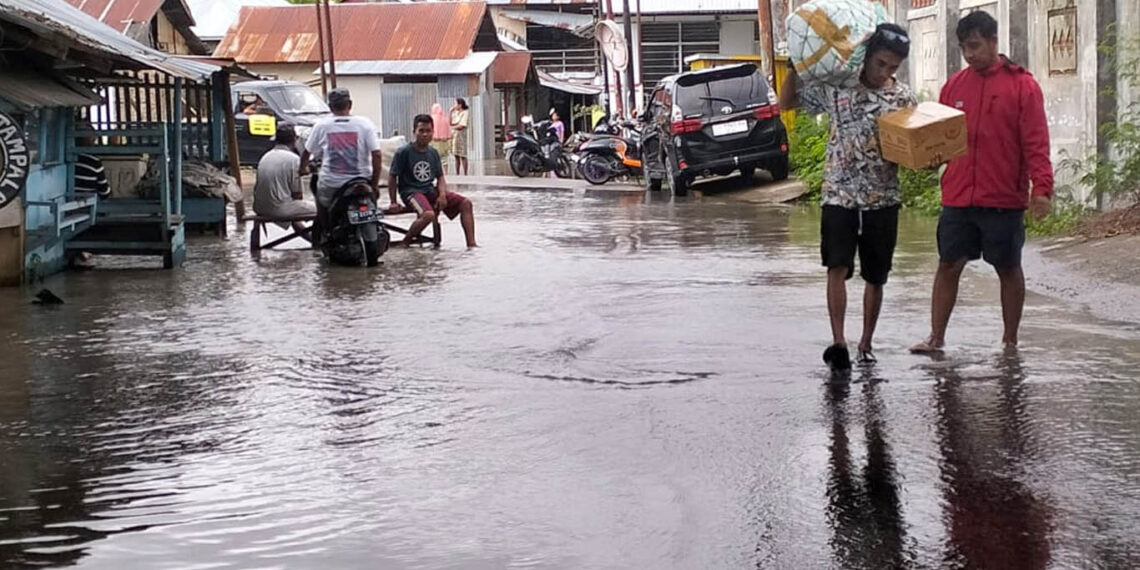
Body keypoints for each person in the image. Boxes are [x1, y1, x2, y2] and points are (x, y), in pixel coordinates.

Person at [910, 11, 1053, 354]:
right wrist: (928, 159)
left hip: (1002, 197)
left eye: (975, 46)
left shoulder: (1023, 86)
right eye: (964, 48)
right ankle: (936, 336)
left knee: (1008, 268)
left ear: (993, 41)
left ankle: (1009, 340)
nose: (970, 54)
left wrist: (1042, 190)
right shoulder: (954, 86)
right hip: (958, 196)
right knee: (948, 264)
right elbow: (939, 140)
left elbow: (1036, 142)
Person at [780, 23, 917, 371]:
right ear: (867, 56)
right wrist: (797, 66)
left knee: (877, 275)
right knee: (836, 267)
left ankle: (866, 343)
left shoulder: (903, 99)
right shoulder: (837, 87)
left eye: (892, 67)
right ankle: (839, 341)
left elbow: (915, 151)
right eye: (881, 64)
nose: (885, 72)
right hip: (839, 193)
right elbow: (786, 102)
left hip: (882, 197)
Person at [388, 114, 477, 248]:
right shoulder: (404, 152)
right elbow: (392, 177)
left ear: (433, 132)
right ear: (414, 132)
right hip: (411, 192)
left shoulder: (433, 152)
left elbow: (440, 177)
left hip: (429, 190)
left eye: (428, 131)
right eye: (421, 131)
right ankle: (405, 242)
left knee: (466, 203)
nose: (425, 134)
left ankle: (472, 245)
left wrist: (442, 195)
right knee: (428, 214)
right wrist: (393, 202)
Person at [299, 87, 383, 223]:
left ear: (330, 107)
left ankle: (326, 226)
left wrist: (303, 168)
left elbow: (306, 152)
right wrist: (374, 183)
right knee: (371, 199)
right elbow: (377, 155)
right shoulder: (365, 124)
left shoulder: (322, 125)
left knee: (320, 198)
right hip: (362, 180)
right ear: (350, 104)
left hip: (332, 184)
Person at [252, 124, 315, 239]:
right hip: (279, 209)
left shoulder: (265, 156)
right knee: (321, 209)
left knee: (291, 206)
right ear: (294, 139)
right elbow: (297, 195)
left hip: (259, 207)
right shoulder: (294, 160)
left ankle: (312, 239)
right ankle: (320, 239)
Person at [449, 98, 469, 176]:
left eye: (455, 104)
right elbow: (450, 122)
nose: (454, 106)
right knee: (456, 155)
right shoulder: (455, 113)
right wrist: (450, 112)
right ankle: (457, 173)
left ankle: (465, 173)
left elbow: (462, 125)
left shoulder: (465, 113)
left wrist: (453, 127)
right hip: (454, 136)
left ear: (460, 105)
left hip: (461, 136)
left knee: (462, 155)